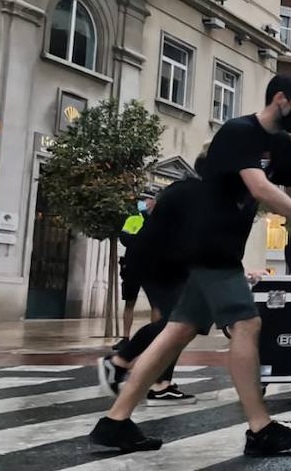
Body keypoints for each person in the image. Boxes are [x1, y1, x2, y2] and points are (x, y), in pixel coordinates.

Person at [89, 75, 291, 455]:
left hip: (225, 248)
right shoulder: (238, 132)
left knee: (175, 334)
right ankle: (260, 428)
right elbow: (261, 188)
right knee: (247, 323)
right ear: (280, 99)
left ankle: (115, 421)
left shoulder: (279, 144)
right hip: (209, 246)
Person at [98, 153, 209, 406]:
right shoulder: (193, 191)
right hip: (156, 263)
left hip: (170, 264)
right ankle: (118, 362)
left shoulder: (197, 191)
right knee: (178, 322)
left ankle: (160, 384)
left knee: (182, 323)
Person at [118, 198, 154, 340]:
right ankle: (125, 337)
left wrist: (136, 240)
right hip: (132, 266)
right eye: (143, 200)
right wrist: (140, 241)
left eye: (147, 200)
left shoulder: (158, 220)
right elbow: (124, 238)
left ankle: (154, 338)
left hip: (152, 268)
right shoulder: (132, 219)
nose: (144, 203)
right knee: (129, 302)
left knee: (155, 304)